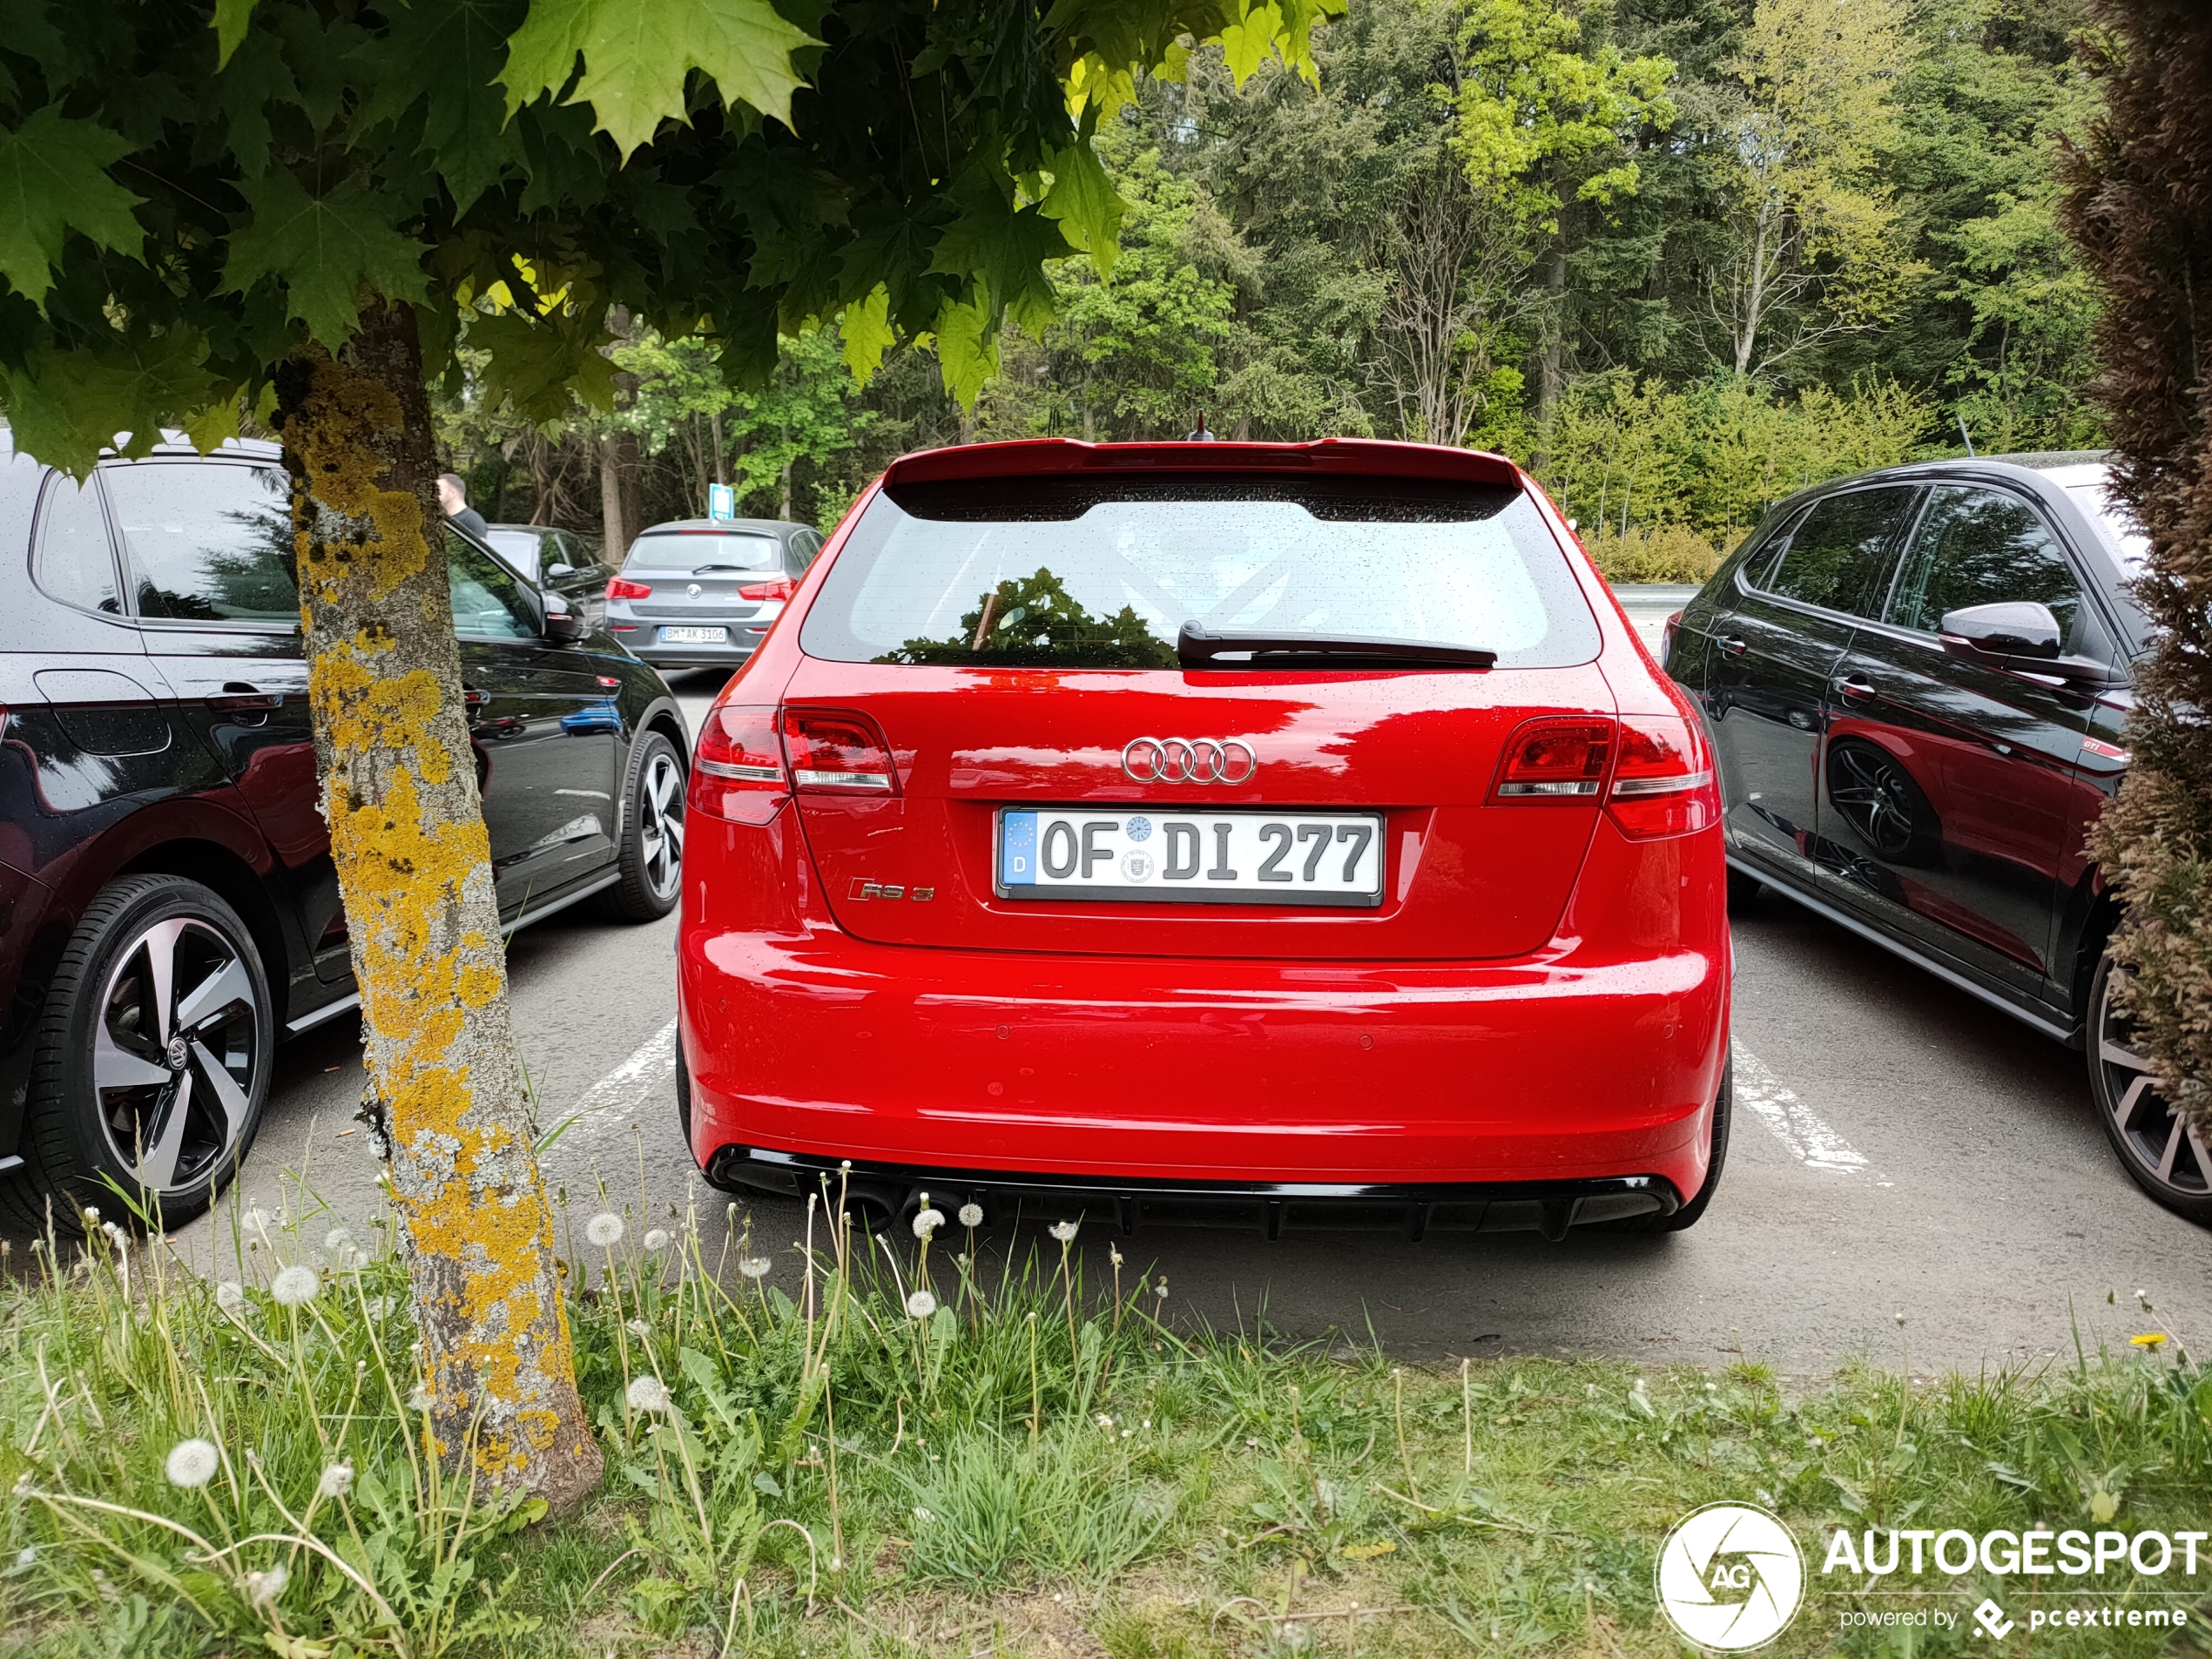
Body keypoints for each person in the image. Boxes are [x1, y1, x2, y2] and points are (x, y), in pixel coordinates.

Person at [437, 473, 490, 542]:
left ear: (452, 493)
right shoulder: (444, 519)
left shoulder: (472, 520)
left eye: (438, 490)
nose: (434, 494)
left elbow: (477, 550)